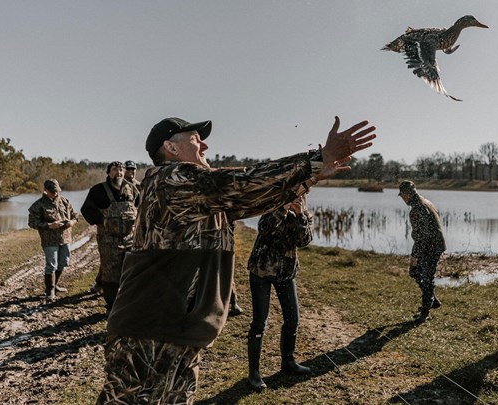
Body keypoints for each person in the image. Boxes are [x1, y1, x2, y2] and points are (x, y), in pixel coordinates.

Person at [96, 116, 376, 404]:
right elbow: (242, 183)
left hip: (176, 330)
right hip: (147, 332)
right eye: (195, 139)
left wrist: (312, 174)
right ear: (171, 147)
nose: (204, 144)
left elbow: (255, 199)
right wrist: (317, 158)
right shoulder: (172, 180)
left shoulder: (196, 193)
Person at [246, 194, 313, 391]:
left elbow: (304, 241)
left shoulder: (304, 213)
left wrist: (300, 214)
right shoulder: (272, 203)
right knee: (260, 323)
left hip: (286, 272)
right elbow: (264, 228)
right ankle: (254, 373)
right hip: (261, 270)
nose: (299, 197)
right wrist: (282, 208)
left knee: (293, 319)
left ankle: (288, 361)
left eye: (302, 195)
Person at [80, 161, 140, 314]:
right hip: (108, 240)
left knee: (130, 271)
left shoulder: (132, 188)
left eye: (121, 169)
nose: (119, 172)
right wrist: (102, 220)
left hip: (129, 239)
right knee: (110, 273)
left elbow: (142, 205)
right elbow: (86, 210)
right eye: (115, 169)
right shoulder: (98, 190)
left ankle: (127, 302)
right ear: (108, 172)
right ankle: (111, 307)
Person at [398, 181, 446, 323]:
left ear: (407, 194)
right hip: (434, 245)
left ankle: (425, 313)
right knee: (415, 273)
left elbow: (422, 237)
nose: (403, 199)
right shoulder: (426, 202)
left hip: (430, 247)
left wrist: (415, 256)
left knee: (426, 278)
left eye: (402, 196)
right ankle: (433, 301)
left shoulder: (417, 209)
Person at [27, 179, 79, 301]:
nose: (55, 193)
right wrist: (49, 226)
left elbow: (75, 215)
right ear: (45, 190)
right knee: (51, 265)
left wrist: (72, 222)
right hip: (49, 240)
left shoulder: (65, 201)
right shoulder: (38, 205)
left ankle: (55, 286)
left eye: (56, 191)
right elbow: (32, 222)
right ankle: (49, 291)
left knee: (64, 262)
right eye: (52, 191)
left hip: (65, 238)